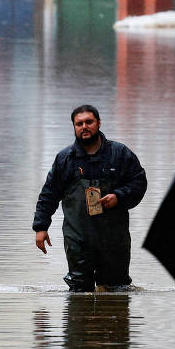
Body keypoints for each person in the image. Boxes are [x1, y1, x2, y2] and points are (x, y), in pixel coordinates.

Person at [32, 105, 147, 292]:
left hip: (114, 238)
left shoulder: (120, 154)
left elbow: (139, 183)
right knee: (79, 293)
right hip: (78, 239)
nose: (84, 126)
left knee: (116, 290)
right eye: (79, 123)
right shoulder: (65, 159)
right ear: (74, 127)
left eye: (89, 122)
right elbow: (49, 195)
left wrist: (118, 197)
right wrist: (41, 227)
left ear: (98, 123)